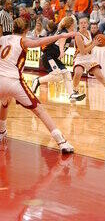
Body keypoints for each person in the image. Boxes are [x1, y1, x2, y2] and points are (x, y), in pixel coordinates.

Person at [0, 17, 77, 153]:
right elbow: (41, 41)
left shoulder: (2, 39)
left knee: (5, 101)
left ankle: (2, 131)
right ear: (27, 30)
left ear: (12, 28)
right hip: (13, 81)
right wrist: (62, 35)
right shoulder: (23, 40)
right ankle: (62, 142)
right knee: (39, 110)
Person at [32, 17, 86, 102]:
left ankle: (71, 95)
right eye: (74, 24)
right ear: (71, 24)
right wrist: (61, 51)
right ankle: (38, 81)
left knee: (66, 74)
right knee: (57, 76)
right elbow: (62, 41)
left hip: (53, 57)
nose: (74, 25)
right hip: (48, 56)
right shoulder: (64, 32)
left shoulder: (67, 32)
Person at [73, 17, 105, 102]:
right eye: (81, 23)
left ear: (87, 24)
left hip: (90, 58)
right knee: (78, 73)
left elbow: (91, 44)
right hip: (80, 58)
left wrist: (97, 43)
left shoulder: (88, 32)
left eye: (85, 23)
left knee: (100, 76)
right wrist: (94, 44)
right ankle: (74, 91)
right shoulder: (77, 36)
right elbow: (83, 51)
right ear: (78, 25)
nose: (83, 24)